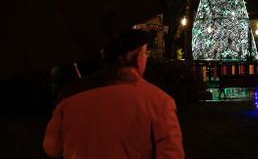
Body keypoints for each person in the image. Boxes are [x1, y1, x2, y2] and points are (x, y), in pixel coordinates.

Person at [43, 29, 184, 159]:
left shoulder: (70, 94)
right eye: (144, 53)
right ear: (136, 58)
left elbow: (52, 147)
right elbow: (171, 155)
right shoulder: (159, 102)